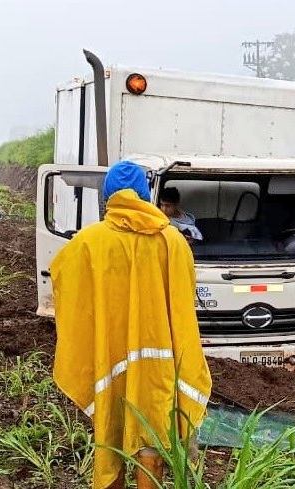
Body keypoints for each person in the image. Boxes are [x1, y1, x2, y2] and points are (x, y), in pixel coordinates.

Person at [50, 161, 212, 489]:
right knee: (152, 436)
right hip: (158, 369)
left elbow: (62, 282)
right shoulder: (173, 241)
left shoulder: (89, 242)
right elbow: (184, 306)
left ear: (108, 196)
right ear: (145, 194)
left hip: (109, 364)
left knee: (108, 433)